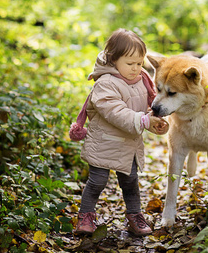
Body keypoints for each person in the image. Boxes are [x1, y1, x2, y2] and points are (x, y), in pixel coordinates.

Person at [71, 28, 168, 236]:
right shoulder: (105, 84)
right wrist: (143, 120)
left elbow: (149, 105)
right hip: (103, 142)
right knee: (97, 181)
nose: (136, 69)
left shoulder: (142, 80)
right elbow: (115, 112)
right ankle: (85, 216)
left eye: (140, 63)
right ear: (114, 60)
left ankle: (134, 215)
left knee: (130, 181)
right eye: (130, 63)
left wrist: (155, 120)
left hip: (128, 144)